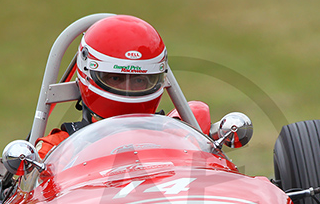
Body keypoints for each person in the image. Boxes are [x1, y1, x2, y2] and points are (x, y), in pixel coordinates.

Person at [35, 14, 211, 158]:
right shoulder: (55, 149)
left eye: (140, 80)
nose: (129, 88)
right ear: (87, 72)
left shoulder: (179, 136)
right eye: (115, 78)